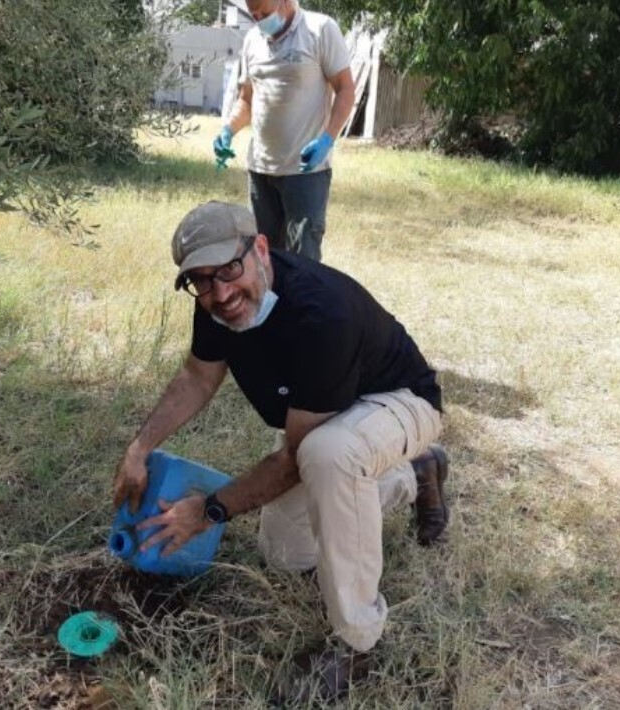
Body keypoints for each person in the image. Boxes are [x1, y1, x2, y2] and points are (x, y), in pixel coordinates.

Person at [112, 201, 450, 703]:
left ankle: (357, 641)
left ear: (261, 249)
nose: (221, 293)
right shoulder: (216, 301)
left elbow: (294, 459)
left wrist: (207, 511)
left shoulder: (320, 313)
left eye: (229, 269)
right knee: (288, 553)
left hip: (399, 402)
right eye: (201, 281)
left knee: (328, 455)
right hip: (321, 419)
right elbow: (198, 375)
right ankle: (413, 476)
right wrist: (140, 448)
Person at [213, 0, 355, 262]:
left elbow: (346, 89)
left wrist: (327, 139)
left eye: (264, 13)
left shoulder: (320, 29)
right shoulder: (252, 40)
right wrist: (228, 131)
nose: (259, 20)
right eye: (253, 15)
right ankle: (274, 305)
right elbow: (247, 100)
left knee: (304, 263)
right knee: (264, 260)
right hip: (260, 171)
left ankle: (300, 306)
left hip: (305, 172)